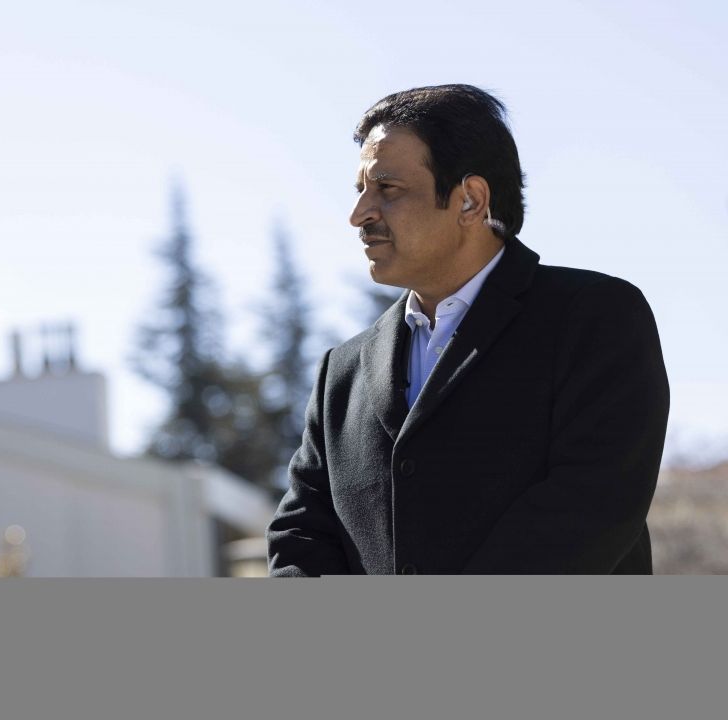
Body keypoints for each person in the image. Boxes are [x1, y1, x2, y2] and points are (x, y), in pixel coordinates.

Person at [267, 84, 668, 575]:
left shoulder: (595, 318)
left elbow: (592, 508)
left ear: (471, 201)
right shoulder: (341, 373)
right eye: (360, 191)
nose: (360, 214)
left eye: (388, 189)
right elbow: (301, 535)